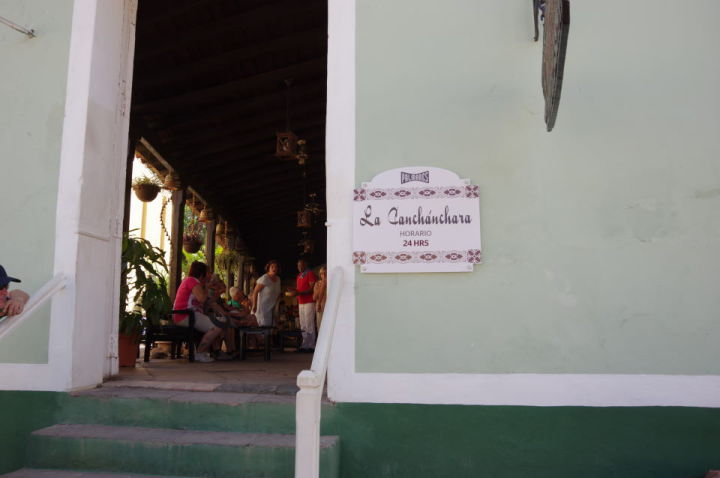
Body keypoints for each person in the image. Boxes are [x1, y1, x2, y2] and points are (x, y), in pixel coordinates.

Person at [172, 261, 222, 363]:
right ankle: (199, 353)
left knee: (221, 322)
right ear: (202, 273)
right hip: (185, 316)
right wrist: (207, 287)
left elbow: (205, 302)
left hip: (186, 315)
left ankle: (205, 352)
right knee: (217, 325)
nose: (209, 275)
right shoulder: (192, 280)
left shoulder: (192, 281)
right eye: (208, 272)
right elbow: (202, 299)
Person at [288, 257, 317, 352]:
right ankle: (305, 344)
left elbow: (311, 289)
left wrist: (299, 293)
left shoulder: (310, 273)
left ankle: (311, 345)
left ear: (306, 265)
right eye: (298, 265)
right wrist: (293, 290)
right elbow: (299, 289)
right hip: (301, 302)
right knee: (303, 324)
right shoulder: (299, 276)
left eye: (301, 265)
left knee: (309, 323)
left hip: (309, 301)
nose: (299, 267)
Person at [251, 260, 281, 327]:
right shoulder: (265, 278)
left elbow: (278, 293)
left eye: (276, 267)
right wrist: (254, 305)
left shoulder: (278, 279)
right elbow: (255, 292)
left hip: (272, 309)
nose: (274, 268)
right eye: (272, 267)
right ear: (268, 268)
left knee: (271, 329)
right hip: (262, 309)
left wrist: (277, 307)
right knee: (262, 329)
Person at [313, 265, 327, 331]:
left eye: (325, 273)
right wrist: (321, 286)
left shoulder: (331, 282)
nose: (323, 275)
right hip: (320, 305)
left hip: (328, 306)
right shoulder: (317, 284)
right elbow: (314, 297)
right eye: (322, 273)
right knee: (320, 326)